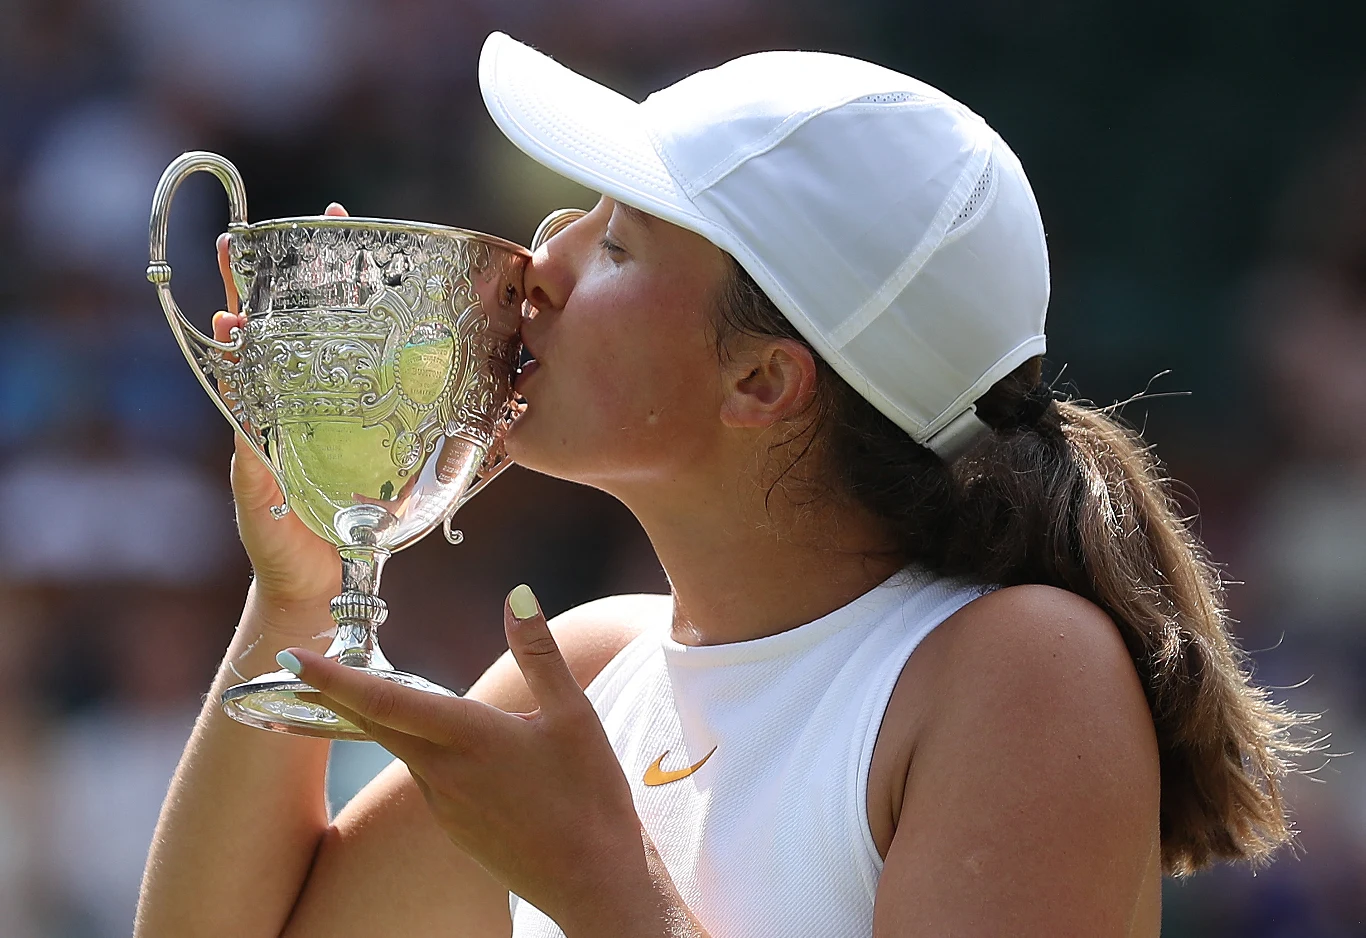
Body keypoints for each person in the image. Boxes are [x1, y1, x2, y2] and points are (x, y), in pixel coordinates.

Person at [135, 32, 1306, 938]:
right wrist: (301, 582)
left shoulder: (1020, 669)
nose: (542, 258)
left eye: (623, 240)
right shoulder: (592, 666)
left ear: (761, 379)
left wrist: (601, 885)